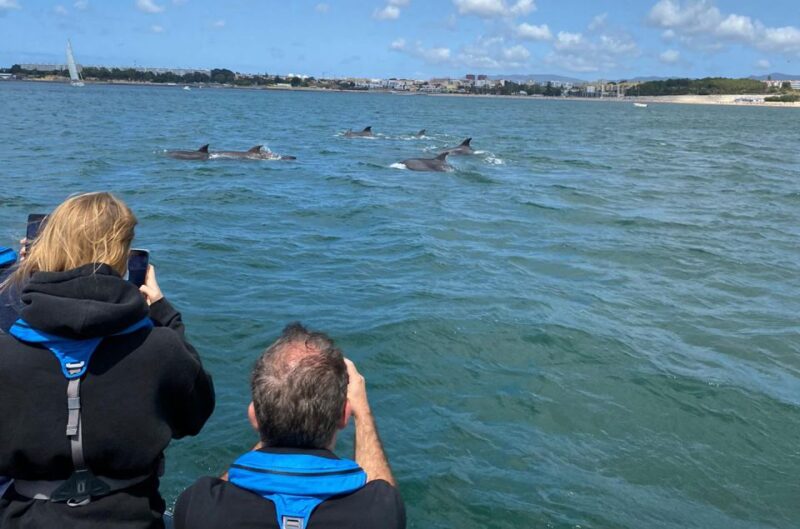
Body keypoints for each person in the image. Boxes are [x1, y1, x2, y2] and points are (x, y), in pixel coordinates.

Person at [0, 192, 215, 529]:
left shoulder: (7, 353)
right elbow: (195, 414)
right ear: (123, 256)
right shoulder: (160, 350)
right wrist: (164, 313)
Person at [173, 322, 405, 529]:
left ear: (254, 416)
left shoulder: (201, 506)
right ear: (344, 416)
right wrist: (362, 413)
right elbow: (382, 491)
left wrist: (273, 418)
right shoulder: (377, 514)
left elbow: (226, 486)